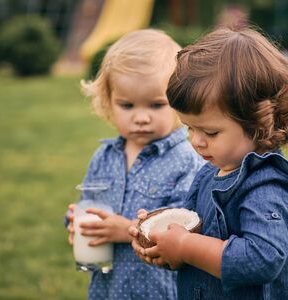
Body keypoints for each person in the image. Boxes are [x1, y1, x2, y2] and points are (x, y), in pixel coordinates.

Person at [130, 26, 288, 299]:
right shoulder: (210, 173)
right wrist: (167, 244)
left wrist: (185, 245)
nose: (196, 141)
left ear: (258, 122)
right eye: (189, 128)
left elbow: (263, 258)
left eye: (210, 132)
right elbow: (201, 240)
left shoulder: (267, 183)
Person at [65, 29, 204, 300]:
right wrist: (75, 222)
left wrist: (127, 229)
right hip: (107, 288)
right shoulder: (105, 156)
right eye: (127, 105)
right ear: (108, 102)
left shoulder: (187, 158)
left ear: (179, 102)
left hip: (158, 289)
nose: (141, 117)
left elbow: (191, 227)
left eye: (156, 105)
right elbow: (90, 204)